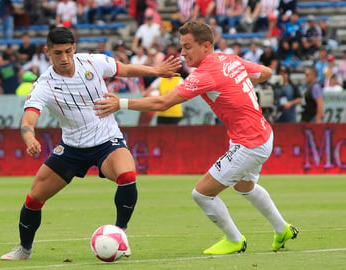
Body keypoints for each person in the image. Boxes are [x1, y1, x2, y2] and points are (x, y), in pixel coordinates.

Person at [95, 21, 299, 255]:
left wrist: (119, 103)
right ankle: (282, 229)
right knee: (245, 186)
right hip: (263, 134)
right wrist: (239, 84)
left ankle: (234, 239)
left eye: (188, 47)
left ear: (206, 46)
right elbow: (266, 73)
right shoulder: (229, 59)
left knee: (202, 194)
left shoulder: (205, 75)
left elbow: (162, 103)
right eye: (181, 47)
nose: (182, 53)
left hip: (249, 143)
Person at [0, 26, 181, 261]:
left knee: (127, 176)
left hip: (107, 141)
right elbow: (28, 120)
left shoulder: (93, 62)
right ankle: (24, 250)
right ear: (47, 52)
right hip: (71, 148)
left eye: (68, 51)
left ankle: (119, 235)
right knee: (34, 198)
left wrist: (157, 70)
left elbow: (123, 69)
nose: (64, 58)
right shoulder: (43, 84)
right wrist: (29, 137)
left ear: (74, 48)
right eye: (58, 53)